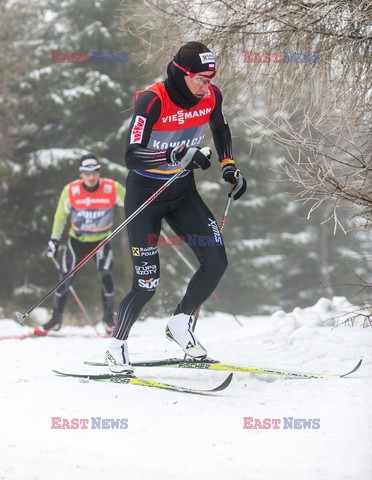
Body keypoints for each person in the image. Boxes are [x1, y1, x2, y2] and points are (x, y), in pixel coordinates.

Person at [106, 41, 246, 373]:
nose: (205, 85)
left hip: (181, 191)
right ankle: (116, 346)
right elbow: (132, 153)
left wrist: (229, 165)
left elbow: (220, 128)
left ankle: (180, 322)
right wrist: (176, 156)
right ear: (181, 73)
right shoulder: (152, 99)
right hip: (146, 193)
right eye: (199, 78)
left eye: (210, 78)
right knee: (147, 283)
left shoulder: (212, 96)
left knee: (216, 261)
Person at [34, 154, 126, 336]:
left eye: (94, 172)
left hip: (102, 241)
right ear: (81, 174)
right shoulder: (71, 190)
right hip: (77, 241)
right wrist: (54, 240)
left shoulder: (111, 188)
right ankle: (56, 320)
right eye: (86, 173)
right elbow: (60, 217)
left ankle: (108, 320)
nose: (91, 177)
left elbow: (132, 201)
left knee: (106, 276)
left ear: (99, 172)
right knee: (64, 278)